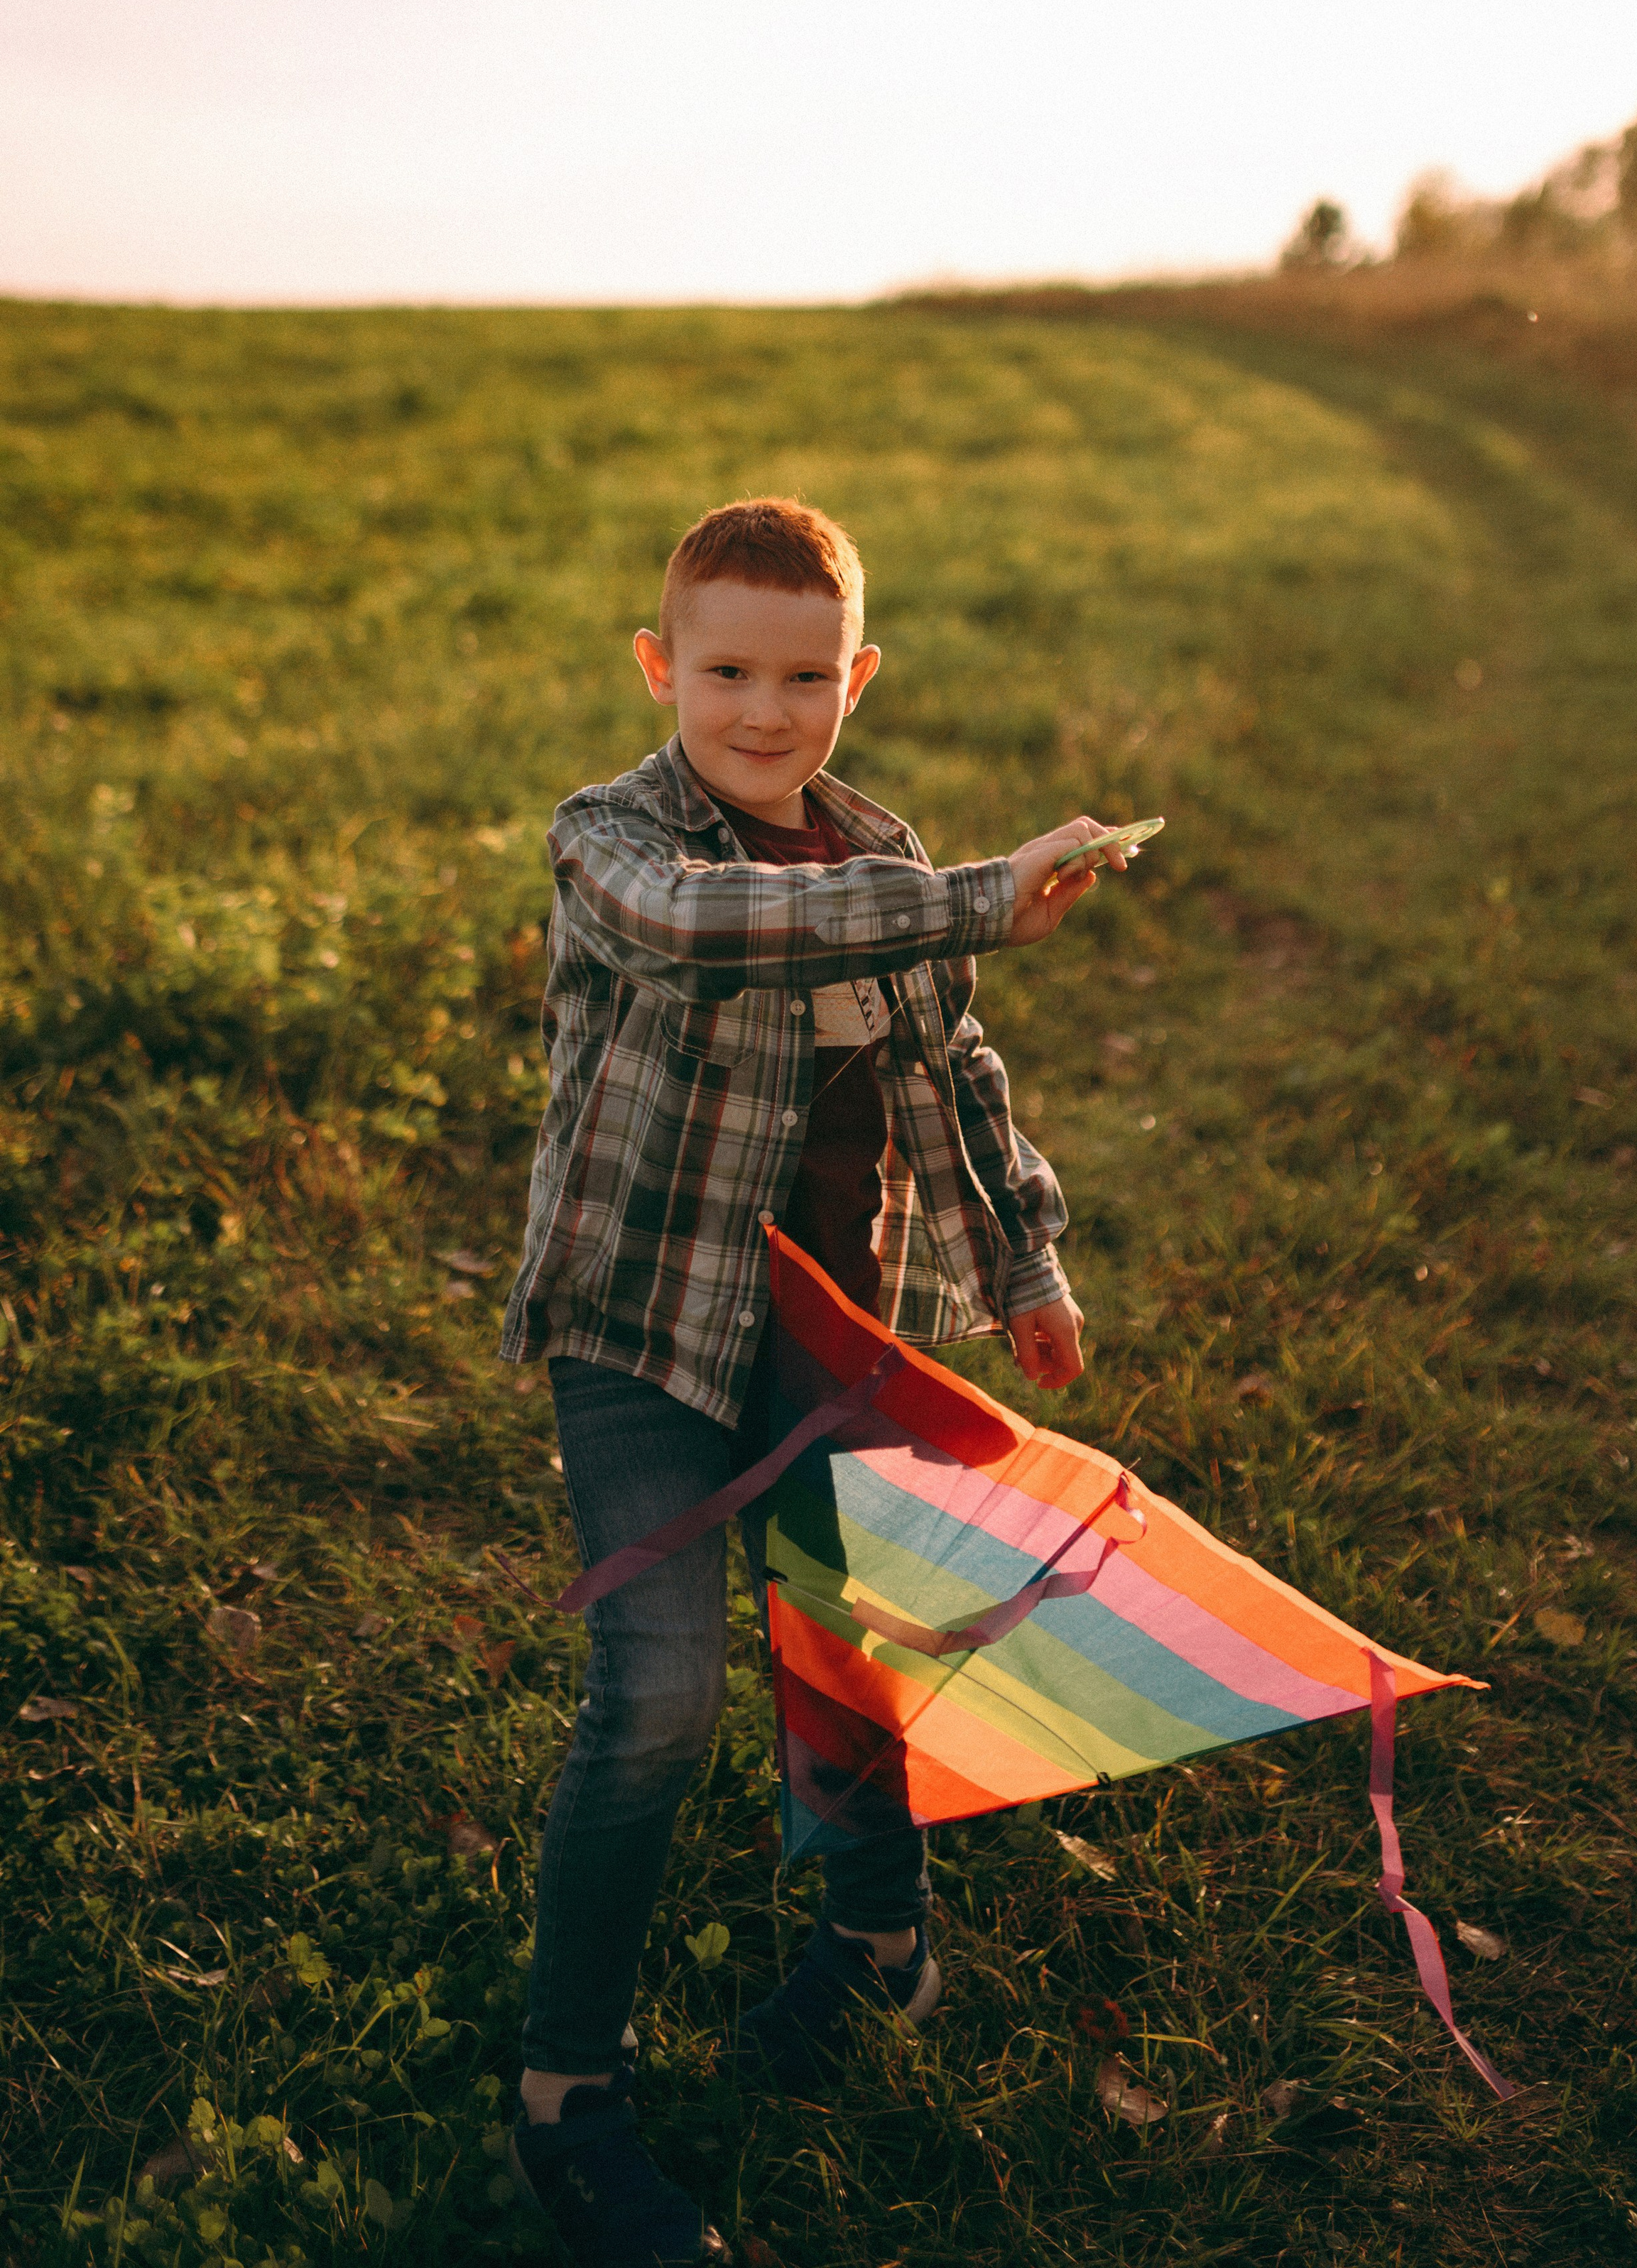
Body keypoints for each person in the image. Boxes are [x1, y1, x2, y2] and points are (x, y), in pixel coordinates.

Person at [499, 496, 1126, 2267]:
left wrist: (1022, 1265)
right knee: (660, 1693)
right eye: (721, 672)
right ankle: (565, 2091)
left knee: (842, 1643)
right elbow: (715, 929)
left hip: (830, 1338)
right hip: (640, 1331)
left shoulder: (881, 854)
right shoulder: (611, 841)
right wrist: (980, 895)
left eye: (798, 676)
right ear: (658, 665)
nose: (760, 712)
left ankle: (877, 1946)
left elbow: (952, 1065)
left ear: (854, 677)